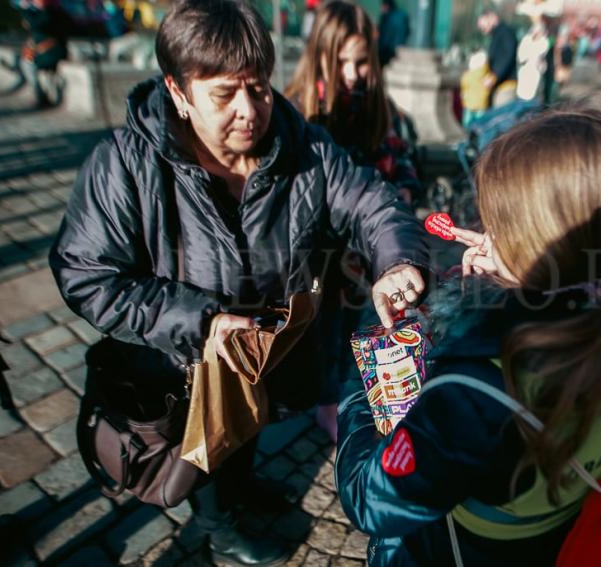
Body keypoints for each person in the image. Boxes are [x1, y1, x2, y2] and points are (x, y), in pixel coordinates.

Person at [49, 0, 429, 565]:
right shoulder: (123, 164)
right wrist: (198, 321)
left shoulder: (303, 144)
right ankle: (216, 524)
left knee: (248, 429)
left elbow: (372, 201)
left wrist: (396, 261)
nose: (249, 111)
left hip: (270, 349)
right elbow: (85, 273)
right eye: (224, 95)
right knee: (208, 444)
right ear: (177, 92)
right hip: (183, 365)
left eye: (259, 88)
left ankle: (243, 491)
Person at [335, 109, 601, 565]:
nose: (487, 237)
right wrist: (506, 288)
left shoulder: (478, 393)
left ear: (537, 244)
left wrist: (362, 382)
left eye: (499, 226)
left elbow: (370, 499)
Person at [284, 0, 422, 441]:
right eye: (340, 60)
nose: (351, 73)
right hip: (316, 259)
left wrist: (402, 189)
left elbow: (404, 164)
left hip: (365, 257)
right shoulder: (297, 114)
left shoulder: (383, 111)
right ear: (318, 55)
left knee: (353, 326)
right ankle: (325, 402)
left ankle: (349, 391)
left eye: (360, 61)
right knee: (320, 332)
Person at [14, 0, 69, 108]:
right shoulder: (44, 12)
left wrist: (23, 9)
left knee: (29, 65)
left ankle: (41, 96)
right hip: (45, 51)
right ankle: (40, 95)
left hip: (53, 52)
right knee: (25, 62)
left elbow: (36, 24)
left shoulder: (51, 13)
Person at [477, 8, 518, 108]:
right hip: (500, 85)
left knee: (502, 119)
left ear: (492, 17)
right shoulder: (498, 34)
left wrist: (494, 76)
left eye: (483, 26)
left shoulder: (505, 33)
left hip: (505, 86)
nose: (483, 30)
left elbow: (507, 55)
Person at [377, 0, 410, 67]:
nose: (382, 8)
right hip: (394, 47)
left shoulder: (387, 17)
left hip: (387, 48)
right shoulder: (402, 15)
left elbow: (384, 35)